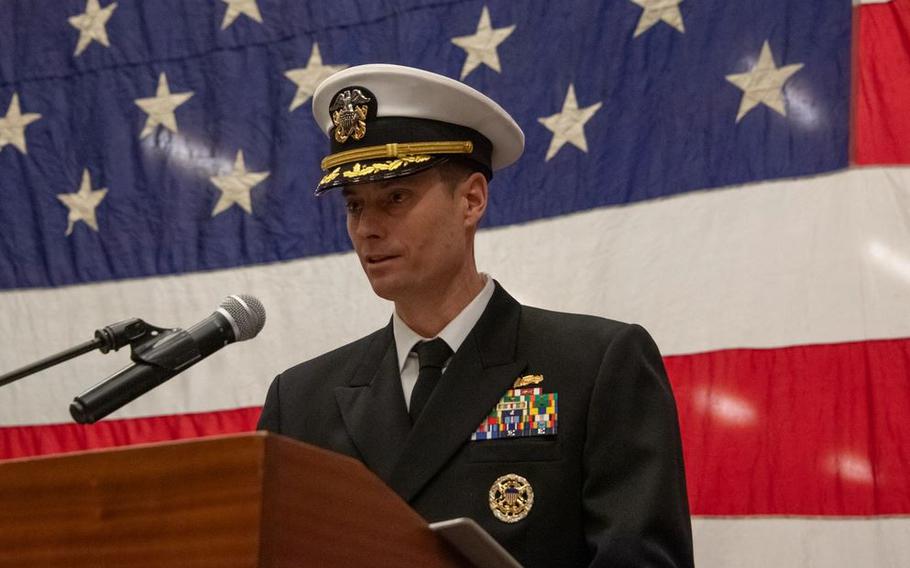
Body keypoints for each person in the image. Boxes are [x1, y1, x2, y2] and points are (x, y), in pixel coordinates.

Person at [257, 64, 694, 567]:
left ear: (471, 200)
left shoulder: (593, 367)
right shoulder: (301, 400)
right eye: (355, 206)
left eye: (395, 198)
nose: (368, 229)